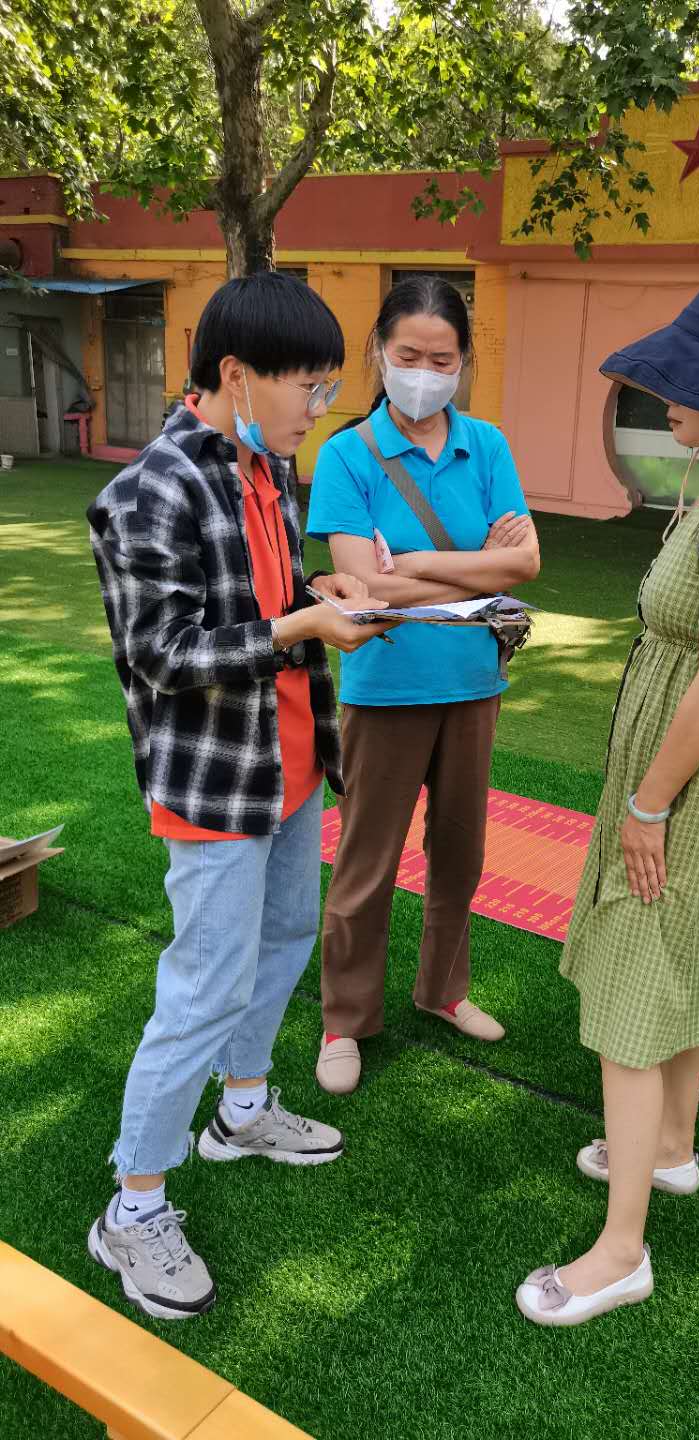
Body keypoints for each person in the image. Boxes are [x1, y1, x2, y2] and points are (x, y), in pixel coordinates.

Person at [86, 271, 393, 1320]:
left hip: (289, 763)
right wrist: (303, 626)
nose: (319, 406)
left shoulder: (269, 468)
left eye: (325, 385)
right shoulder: (150, 491)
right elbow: (165, 653)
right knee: (203, 989)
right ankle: (132, 1208)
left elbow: (257, 600)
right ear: (236, 374)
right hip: (213, 784)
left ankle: (243, 1109)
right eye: (309, 384)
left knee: (287, 935)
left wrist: (316, 593)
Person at [516, 273, 699, 1326]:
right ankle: (672, 1147)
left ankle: (621, 1252)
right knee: (674, 963)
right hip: (696, 773)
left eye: (686, 381)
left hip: (686, 779)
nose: (664, 396)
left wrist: (648, 807)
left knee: (635, 996)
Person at [307, 274, 540, 1096]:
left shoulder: (488, 445)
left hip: (473, 682)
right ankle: (345, 1018)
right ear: (380, 351)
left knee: (461, 851)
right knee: (366, 861)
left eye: (442, 359)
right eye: (409, 354)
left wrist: (414, 563)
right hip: (385, 686)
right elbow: (361, 588)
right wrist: (475, 569)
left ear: (463, 361)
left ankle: (443, 990)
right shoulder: (347, 455)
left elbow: (526, 563)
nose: (424, 372)